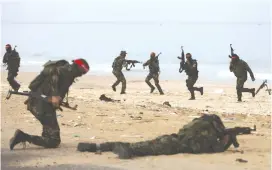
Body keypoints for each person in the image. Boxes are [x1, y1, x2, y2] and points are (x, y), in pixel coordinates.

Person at [9, 58, 90, 150]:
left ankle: (42, 138)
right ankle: (22, 136)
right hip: (40, 105)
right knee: (54, 141)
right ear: (78, 67)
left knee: (49, 134)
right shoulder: (64, 70)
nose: (81, 75)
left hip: (41, 104)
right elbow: (54, 75)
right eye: (82, 72)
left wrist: (58, 99)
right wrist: (55, 95)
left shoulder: (68, 73)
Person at [77, 114, 238, 159]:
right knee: (142, 149)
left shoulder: (196, 128)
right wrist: (227, 140)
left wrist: (226, 137)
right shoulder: (203, 140)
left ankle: (96, 147)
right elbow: (213, 149)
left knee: (142, 145)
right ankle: (121, 150)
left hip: (171, 138)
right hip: (172, 145)